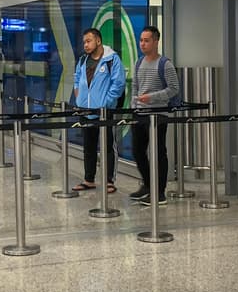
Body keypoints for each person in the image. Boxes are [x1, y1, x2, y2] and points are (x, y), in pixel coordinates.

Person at [129, 26, 180, 206]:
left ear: (156, 42)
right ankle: (148, 185)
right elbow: (135, 87)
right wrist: (134, 106)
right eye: (141, 40)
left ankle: (159, 192)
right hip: (139, 114)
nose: (142, 44)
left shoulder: (165, 64)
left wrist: (151, 98)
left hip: (158, 114)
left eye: (146, 40)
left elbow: (173, 89)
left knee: (158, 153)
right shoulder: (138, 63)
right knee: (137, 151)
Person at [72, 27, 126, 194]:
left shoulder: (112, 59)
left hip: (104, 111)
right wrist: (79, 98)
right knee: (88, 147)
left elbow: (118, 84)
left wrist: (106, 102)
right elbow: (77, 79)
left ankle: (109, 181)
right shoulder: (83, 60)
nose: (85, 45)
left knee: (108, 147)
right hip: (85, 111)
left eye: (88, 41)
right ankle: (89, 180)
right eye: (84, 42)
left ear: (98, 40)